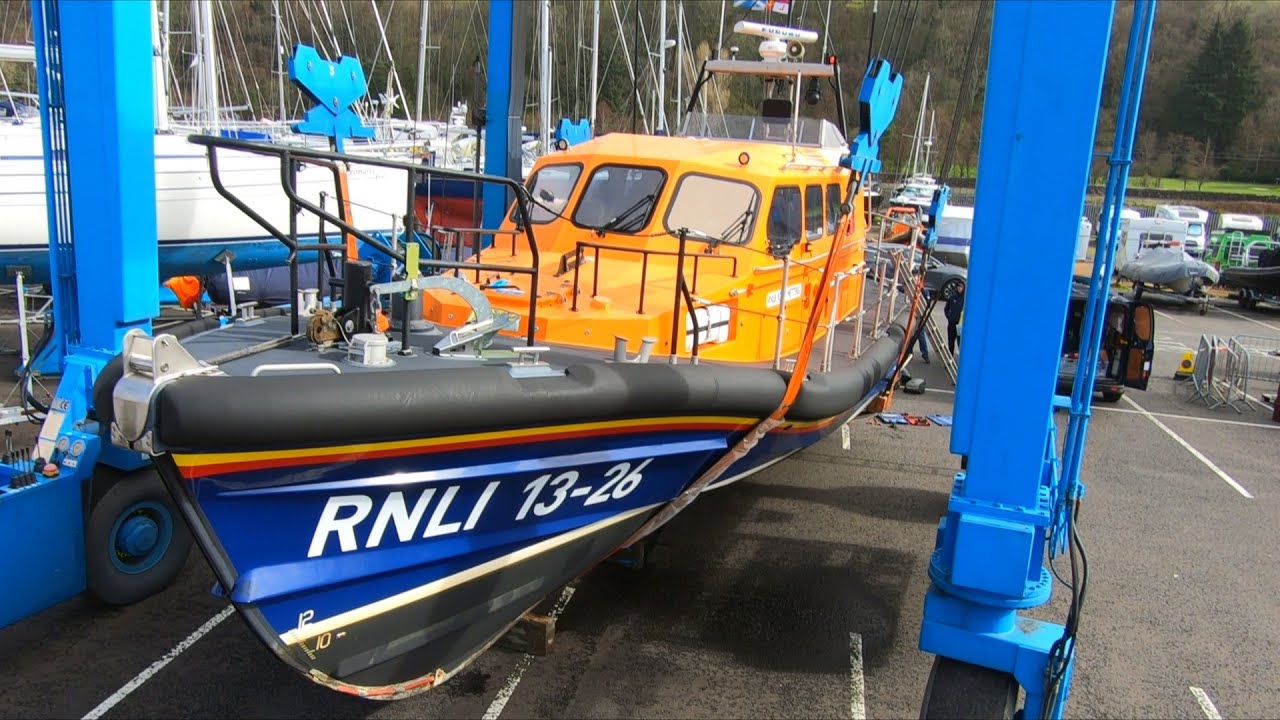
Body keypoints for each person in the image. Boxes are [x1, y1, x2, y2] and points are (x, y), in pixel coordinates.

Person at [944, 281, 965, 356]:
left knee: (960, 341)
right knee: (951, 341)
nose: (959, 288)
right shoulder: (952, 297)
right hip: (952, 323)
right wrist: (949, 317)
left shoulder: (965, 299)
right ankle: (950, 355)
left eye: (961, 287)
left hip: (960, 325)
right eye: (958, 287)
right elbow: (946, 309)